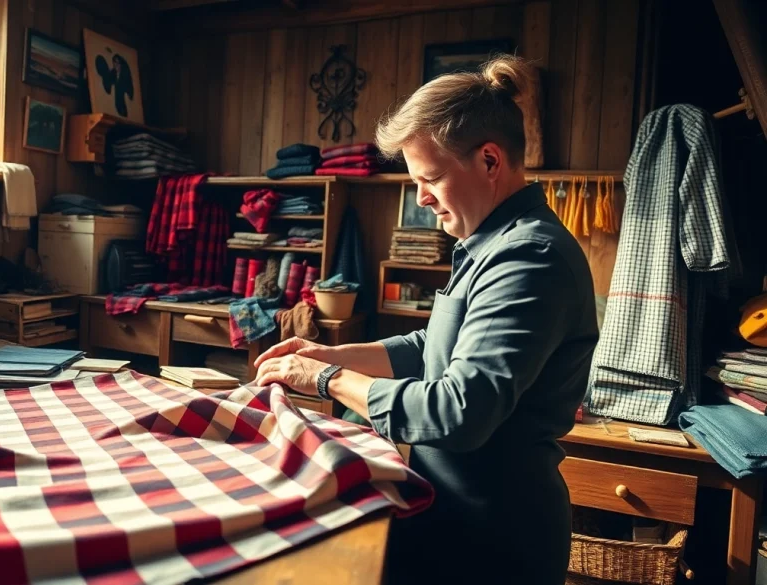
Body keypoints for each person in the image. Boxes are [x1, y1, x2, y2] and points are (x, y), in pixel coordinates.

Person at [253, 55, 599, 585]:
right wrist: (330, 355)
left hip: (495, 542)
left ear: (489, 161)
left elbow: (460, 410)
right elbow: (430, 343)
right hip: (452, 517)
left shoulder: (530, 257)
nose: (422, 198)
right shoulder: (486, 243)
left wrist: (325, 380)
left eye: (431, 178)